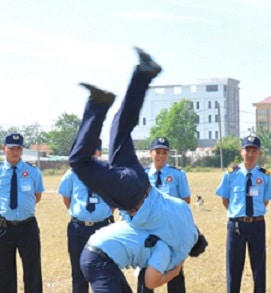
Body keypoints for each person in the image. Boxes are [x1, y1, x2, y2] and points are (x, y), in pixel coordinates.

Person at [67, 47, 200, 267]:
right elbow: (153, 275)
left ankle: (144, 73)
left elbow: (182, 204)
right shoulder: (175, 243)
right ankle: (98, 104)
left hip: (138, 178)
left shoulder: (183, 214)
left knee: (121, 126)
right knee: (78, 162)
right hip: (132, 196)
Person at [0, 133, 45, 293]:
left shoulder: (32, 171)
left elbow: (37, 196)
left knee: (32, 268)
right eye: (11, 148)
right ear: (4, 149)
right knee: (3, 269)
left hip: (27, 226)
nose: (15, 152)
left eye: (19, 148)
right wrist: (4, 215)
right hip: (3, 228)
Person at [215, 135, 271, 293]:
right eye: (247, 150)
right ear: (241, 152)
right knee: (234, 265)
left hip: (257, 224)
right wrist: (239, 215)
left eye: (254, 150)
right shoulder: (230, 174)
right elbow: (225, 200)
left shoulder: (264, 176)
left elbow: (265, 201)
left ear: (259, 153)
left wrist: (252, 215)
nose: (250, 154)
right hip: (237, 224)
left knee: (259, 265)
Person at [136, 137, 192, 293]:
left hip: (170, 229)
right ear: (150, 153)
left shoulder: (177, 175)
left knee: (175, 264)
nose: (161, 156)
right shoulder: (141, 175)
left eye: (164, 152)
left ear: (168, 154)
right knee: (145, 264)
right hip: (148, 228)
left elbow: (185, 201)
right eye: (157, 152)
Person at [58, 138, 114, 293]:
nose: (92, 154)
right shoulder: (72, 174)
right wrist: (82, 215)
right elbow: (67, 199)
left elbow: (114, 199)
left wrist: (103, 215)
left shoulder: (108, 173)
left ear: (100, 152)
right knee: (78, 269)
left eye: (95, 151)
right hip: (78, 228)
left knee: (105, 268)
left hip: (102, 227)